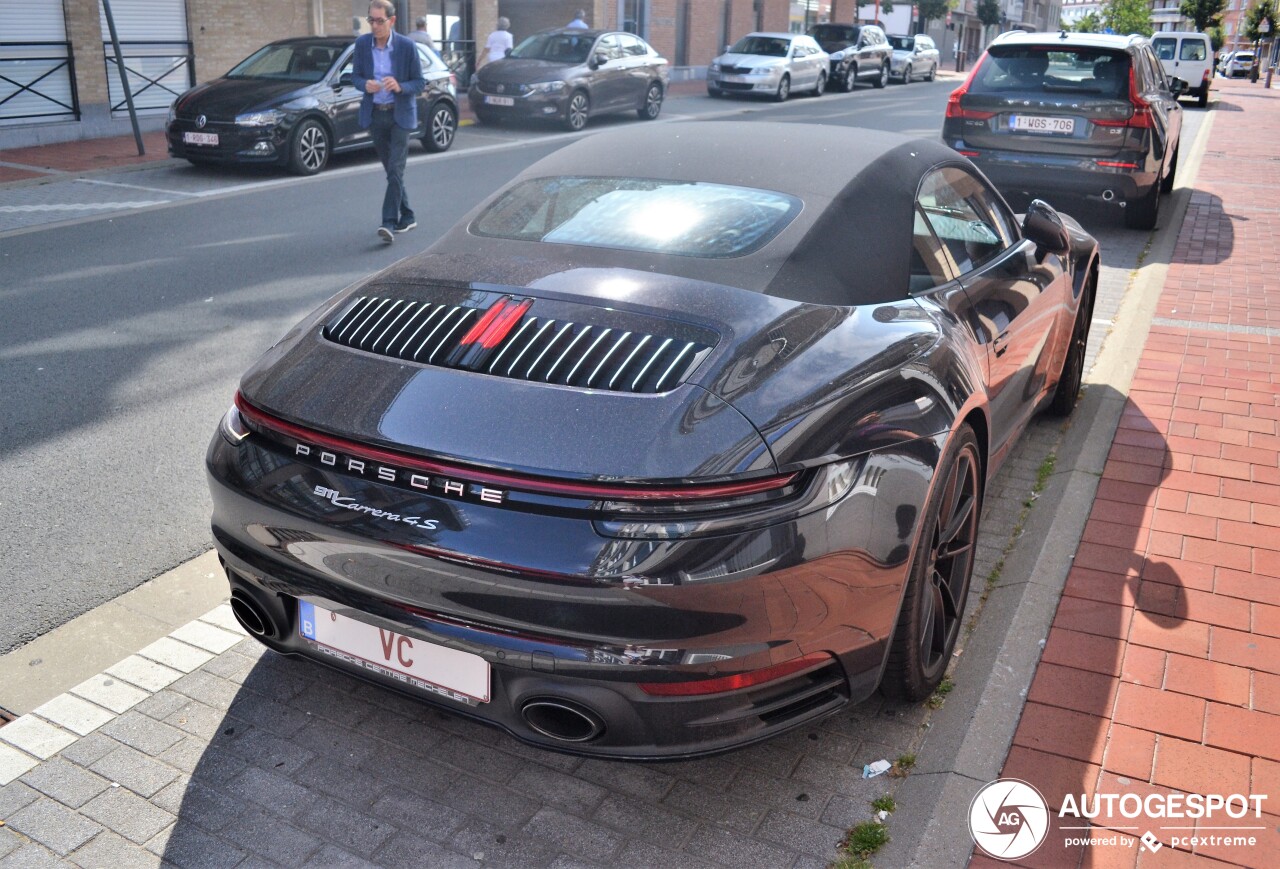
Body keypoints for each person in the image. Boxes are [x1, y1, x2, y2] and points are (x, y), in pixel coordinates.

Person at [352, 0, 425, 244]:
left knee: (395, 169)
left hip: (400, 115)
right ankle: (408, 214)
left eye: (379, 21)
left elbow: (419, 82)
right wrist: (365, 85)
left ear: (391, 21)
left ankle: (388, 223)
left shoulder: (407, 46)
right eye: (370, 20)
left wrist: (400, 86)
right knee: (391, 171)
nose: (374, 26)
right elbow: (355, 77)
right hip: (375, 114)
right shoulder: (362, 44)